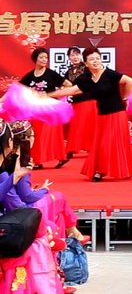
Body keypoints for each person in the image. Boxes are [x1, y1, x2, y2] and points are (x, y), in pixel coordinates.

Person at [49, 47, 132, 182]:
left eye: (97, 58)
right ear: (86, 63)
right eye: (92, 59)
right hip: (102, 115)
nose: (95, 61)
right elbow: (71, 91)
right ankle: (126, 167)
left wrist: (126, 98)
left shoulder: (109, 74)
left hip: (116, 114)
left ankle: (100, 171)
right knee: (102, 144)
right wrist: (48, 95)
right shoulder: (86, 80)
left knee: (107, 144)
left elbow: (129, 81)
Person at [0, 119, 65, 294]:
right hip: (7, 222)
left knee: (45, 226)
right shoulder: (5, 172)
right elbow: (19, 201)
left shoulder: (7, 169)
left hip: (10, 215)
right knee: (42, 235)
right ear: (9, 143)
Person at [4, 120, 90, 245]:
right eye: (33, 136)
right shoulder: (21, 161)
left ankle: (69, 240)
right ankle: (74, 234)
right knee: (59, 197)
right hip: (23, 209)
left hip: (16, 206)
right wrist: (44, 189)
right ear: (28, 139)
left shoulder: (9, 158)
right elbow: (26, 196)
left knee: (59, 216)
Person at [18, 48, 70, 169]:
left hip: (48, 108)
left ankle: (39, 160)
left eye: (46, 57)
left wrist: (55, 95)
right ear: (35, 59)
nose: (44, 60)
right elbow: (18, 88)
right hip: (34, 109)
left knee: (44, 134)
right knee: (35, 134)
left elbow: (69, 85)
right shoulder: (29, 76)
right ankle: (58, 157)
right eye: (41, 57)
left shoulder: (51, 74)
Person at [63, 47, 98, 158]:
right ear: (69, 57)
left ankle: (74, 149)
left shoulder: (87, 69)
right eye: (72, 55)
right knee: (77, 125)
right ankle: (74, 148)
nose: (75, 57)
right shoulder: (68, 72)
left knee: (86, 126)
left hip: (88, 100)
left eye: (77, 54)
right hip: (76, 101)